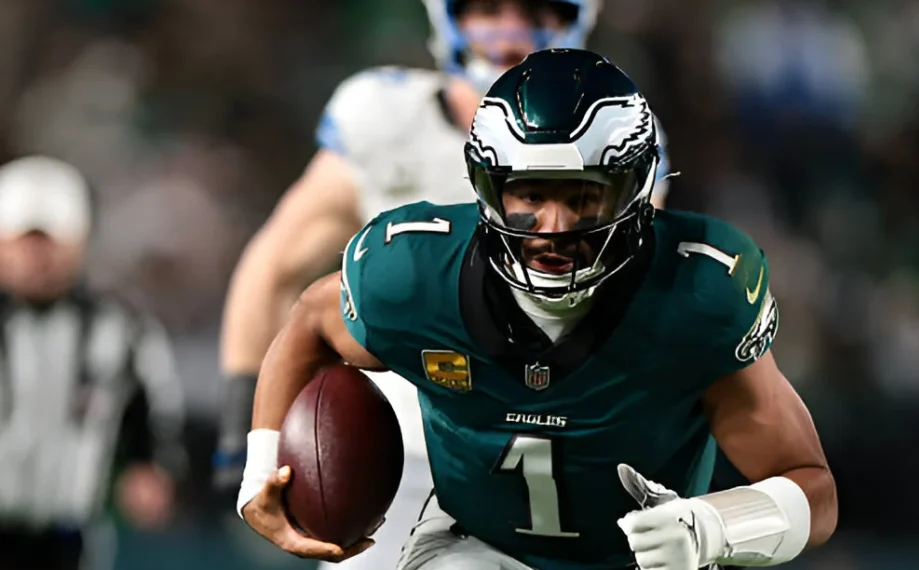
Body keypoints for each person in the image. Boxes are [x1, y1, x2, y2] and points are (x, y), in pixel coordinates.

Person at [237, 49, 836, 569]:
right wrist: (261, 468)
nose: (553, 228)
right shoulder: (413, 276)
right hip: (473, 547)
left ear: (635, 191)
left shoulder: (699, 297)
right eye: (530, 193)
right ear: (489, 188)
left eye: (582, 197)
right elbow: (310, 323)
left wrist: (708, 529)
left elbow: (813, 492)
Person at [214, 1, 672, 566]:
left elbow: (625, 304)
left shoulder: (616, 129)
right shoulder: (385, 117)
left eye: (535, 9)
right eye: (486, 7)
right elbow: (275, 269)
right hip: (396, 443)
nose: (509, 29)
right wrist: (246, 437)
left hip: (553, 442)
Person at [0, 155, 185, 570]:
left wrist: (149, 464)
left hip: (70, 536)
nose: (37, 256)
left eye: (48, 240)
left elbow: (153, 404)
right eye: (24, 241)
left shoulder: (121, 329)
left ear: (77, 242)